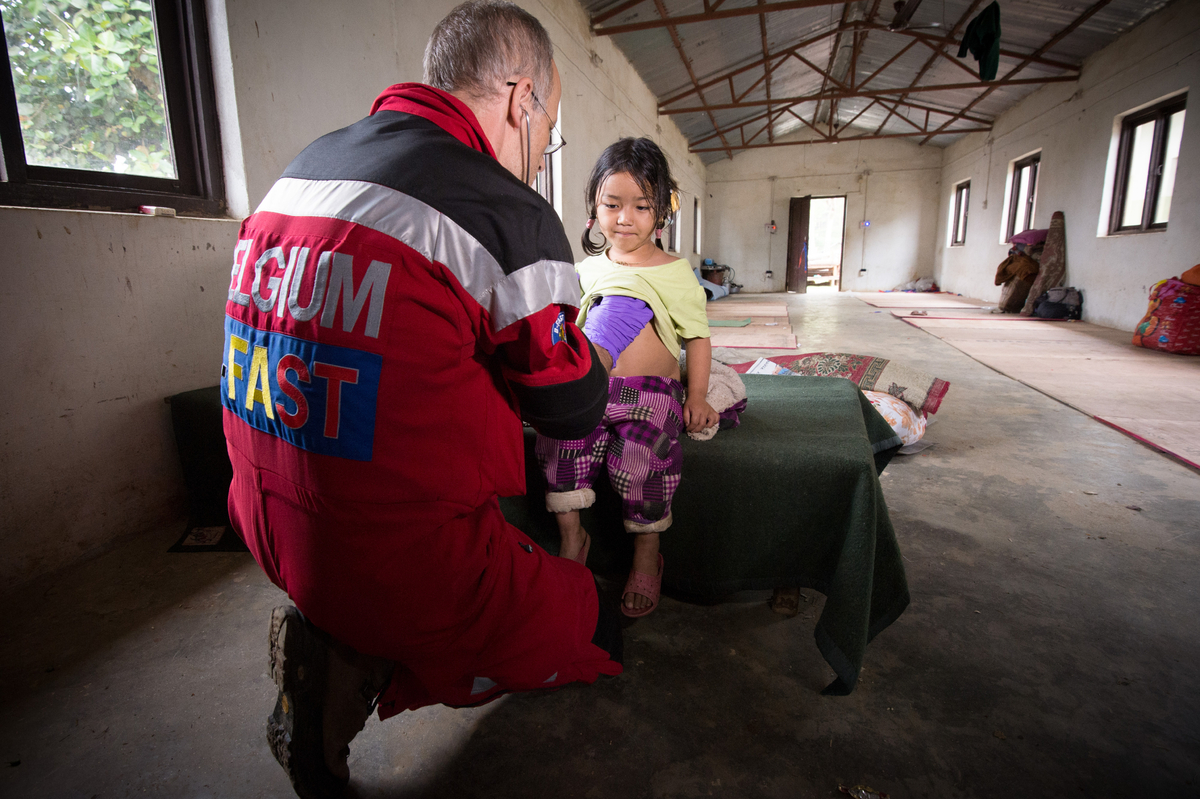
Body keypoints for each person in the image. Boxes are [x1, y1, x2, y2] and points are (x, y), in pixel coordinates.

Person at [220, 3, 622, 796]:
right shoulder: (499, 209)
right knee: (593, 616)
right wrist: (595, 349)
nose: (543, 150)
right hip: (394, 558)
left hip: (260, 525)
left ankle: (334, 639)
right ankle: (367, 645)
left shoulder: (302, 169)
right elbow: (570, 407)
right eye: (551, 129)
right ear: (522, 100)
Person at [534, 137, 719, 618]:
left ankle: (646, 553)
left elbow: (697, 338)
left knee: (644, 459)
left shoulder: (676, 273)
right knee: (559, 445)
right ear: (593, 209)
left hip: (651, 396)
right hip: (591, 389)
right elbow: (569, 327)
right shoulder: (584, 269)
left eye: (641, 206)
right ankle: (573, 536)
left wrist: (696, 395)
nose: (624, 218)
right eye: (612, 205)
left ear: (661, 213)